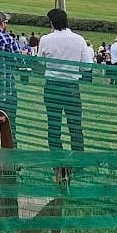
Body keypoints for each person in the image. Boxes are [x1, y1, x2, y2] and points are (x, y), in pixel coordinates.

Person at [38, 8, 90, 152]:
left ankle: (57, 161)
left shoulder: (45, 39)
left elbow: (41, 62)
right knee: (75, 127)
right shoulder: (79, 40)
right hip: (71, 87)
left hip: (52, 86)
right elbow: (87, 66)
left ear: (51, 23)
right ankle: (78, 161)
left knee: (53, 126)